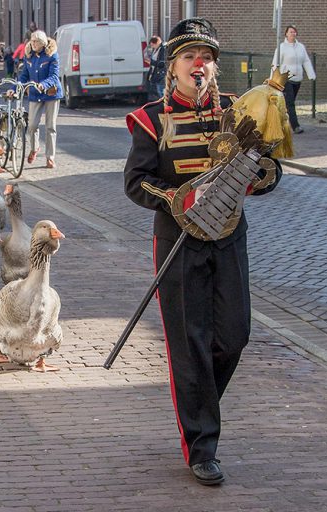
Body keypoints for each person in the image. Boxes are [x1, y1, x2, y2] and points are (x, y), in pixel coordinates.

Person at [123, 18, 281, 486]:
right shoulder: (151, 118)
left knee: (234, 335)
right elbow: (136, 183)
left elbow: (268, 170)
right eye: (190, 57)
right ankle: (202, 446)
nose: (200, 64)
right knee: (188, 345)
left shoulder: (240, 110)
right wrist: (176, 198)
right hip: (178, 240)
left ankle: (200, 402)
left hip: (230, 235)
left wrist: (263, 176)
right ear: (173, 67)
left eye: (207, 57)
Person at [10, 30, 63, 169]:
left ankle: (50, 158)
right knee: (32, 125)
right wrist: (14, 88)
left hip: (51, 93)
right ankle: (34, 148)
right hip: (35, 93)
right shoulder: (29, 56)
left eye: (36, 41)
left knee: (50, 126)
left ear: (43, 43)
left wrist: (43, 85)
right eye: (32, 40)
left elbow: (54, 76)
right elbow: (23, 76)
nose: (33, 43)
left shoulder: (52, 55)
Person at [273, 25, 316, 134]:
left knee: (287, 104)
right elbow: (275, 63)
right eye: (291, 32)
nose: (293, 34)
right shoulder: (281, 47)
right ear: (286, 34)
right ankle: (296, 126)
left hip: (297, 80)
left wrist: (311, 74)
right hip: (286, 79)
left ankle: (278, 122)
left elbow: (305, 60)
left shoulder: (300, 47)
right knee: (290, 103)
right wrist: (272, 79)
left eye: (294, 32)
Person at [146, 36, 166, 101]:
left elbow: (161, 63)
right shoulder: (156, 49)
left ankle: (165, 105)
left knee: (161, 90)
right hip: (156, 73)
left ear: (157, 42)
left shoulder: (162, 49)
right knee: (159, 91)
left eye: (152, 45)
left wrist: (151, 62)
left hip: (161, 74)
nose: (152, 47)